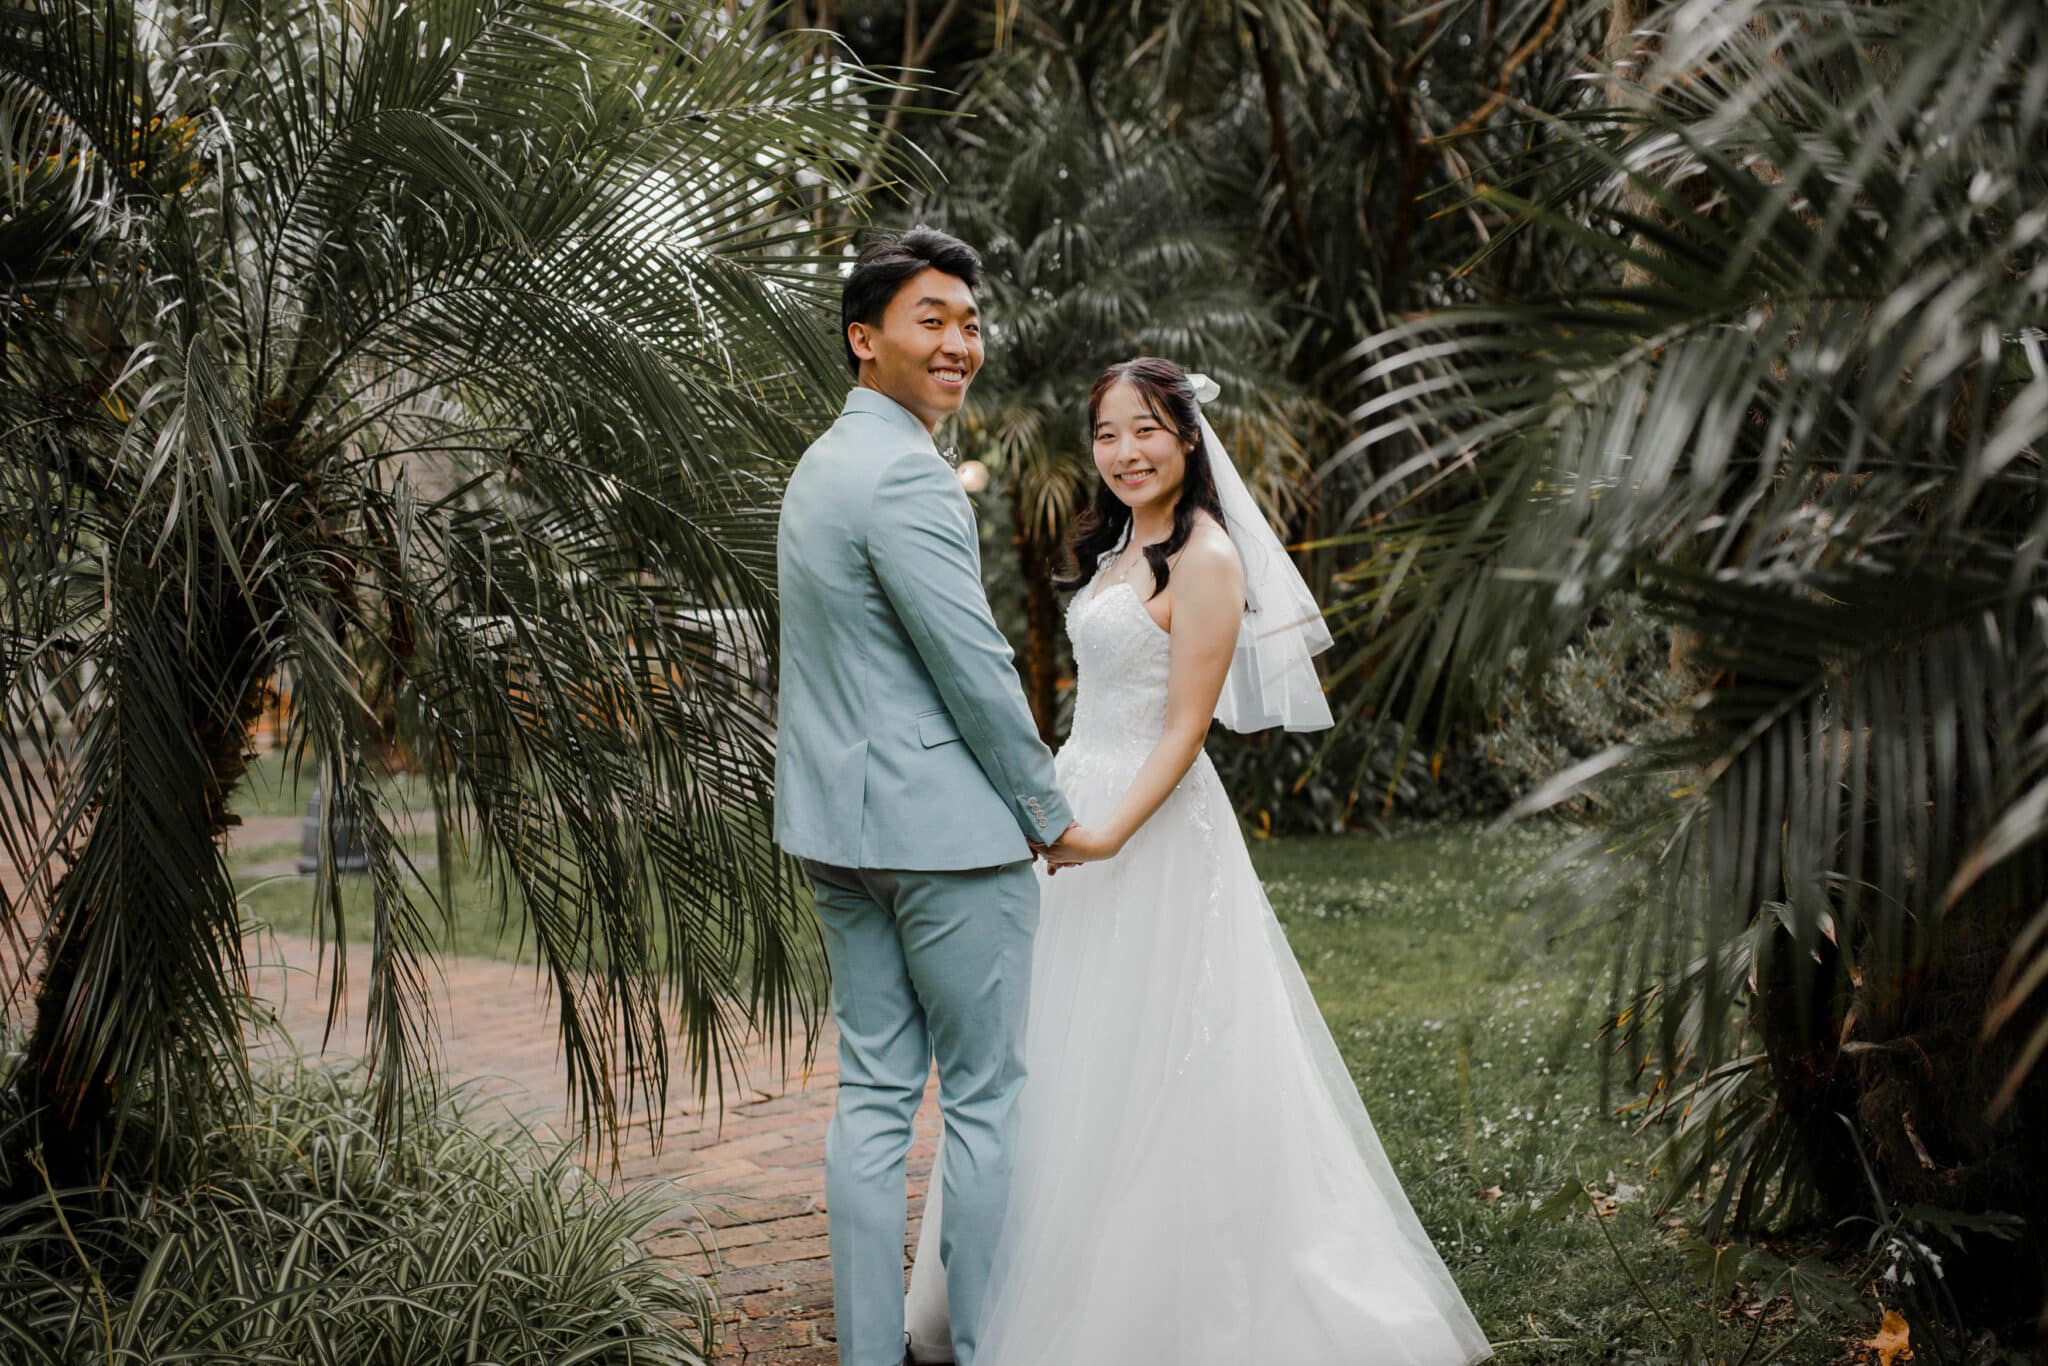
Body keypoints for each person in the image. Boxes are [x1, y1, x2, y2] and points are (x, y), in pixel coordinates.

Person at [902, 358, 1494, 1364]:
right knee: (1055, 1051)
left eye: (1143, 431)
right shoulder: (1118, 547)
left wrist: (1105, 833)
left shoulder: (1207, 558)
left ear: (1185, 439)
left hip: (1150, 827)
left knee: (1150, 1052)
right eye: (1105, 435)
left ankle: (1139, 1305)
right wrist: (1052, 806)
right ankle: (1020, 1271)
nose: (1123, 452)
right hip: (1079, 796)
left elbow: (1182, 732)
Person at [773, 226, 1108, 1366]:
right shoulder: (907, 476)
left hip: (835, 833)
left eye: (969, 321)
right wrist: (1045, 811)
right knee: (981, 1100)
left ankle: (871, 1354)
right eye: (933, 319)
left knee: (869, 1097)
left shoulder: (819, 466)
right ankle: (982, 1347)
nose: (959, 342)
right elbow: (971, 665)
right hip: (947, 843)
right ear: (865, 340)